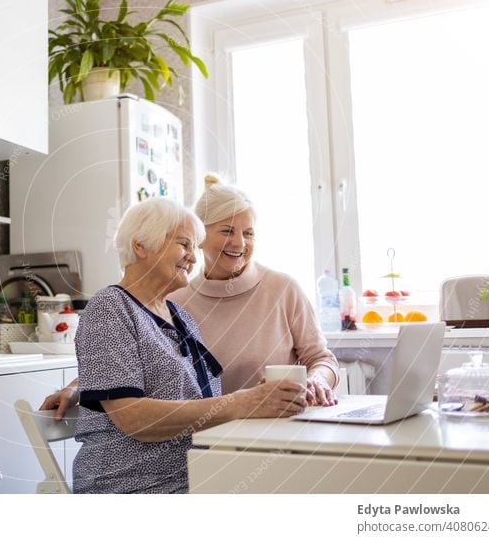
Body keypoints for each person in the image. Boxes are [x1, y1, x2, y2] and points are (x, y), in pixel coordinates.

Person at [42, 174, 339, 419]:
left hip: (275, 430)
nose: (239, 243)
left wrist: (316, 381)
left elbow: (322, 359)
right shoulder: (174, 301)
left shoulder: (282, 289)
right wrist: (80, 386)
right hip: (217, 438)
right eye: (227, 231)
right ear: (201, 236)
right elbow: (131, 367)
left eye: (249, 233)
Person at [70, 198, 307, 494]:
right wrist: (242, 402)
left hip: (199, 473)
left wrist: (259, 398)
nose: (193, 258)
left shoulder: (180, 316)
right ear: (141, 245)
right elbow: (132, 417)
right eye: (184, 244)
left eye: (194, 247)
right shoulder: (109, 308)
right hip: (135, 485)